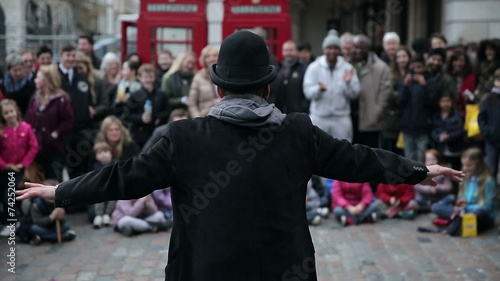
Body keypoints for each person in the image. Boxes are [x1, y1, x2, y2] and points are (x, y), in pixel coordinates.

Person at [17, 30, 464, 281]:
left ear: (217, 87)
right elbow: (360, 159)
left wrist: (63, 191)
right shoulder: (297, 132)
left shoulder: (184, 136)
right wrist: (417, 170)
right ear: (268, 87)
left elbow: (125, 176)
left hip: (206, 270)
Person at [303, 29, 361, 142]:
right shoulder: (314, 67)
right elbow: (307, 92)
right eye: (329, 48)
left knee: (343, 152)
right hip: (319, 117)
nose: (332, 51)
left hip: (341, 118)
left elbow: (355, 94)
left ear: (339, 50)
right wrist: (318, 89)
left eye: (335, 48)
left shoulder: (347, 68)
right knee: (318, 150)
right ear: (324, 49)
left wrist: (348, 83)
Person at [24, 64, 74, 182]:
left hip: (54, 148)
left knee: (53, 182)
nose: (35, 80)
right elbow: (28, 119)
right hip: (36, 148)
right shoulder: (35, 98)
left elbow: (69, 121)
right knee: (36, 180)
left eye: (38, 77)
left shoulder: (61, 99)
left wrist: (56, 133)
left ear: (47, 79)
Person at [431, 148, 496, 232]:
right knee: (435, 207)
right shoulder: (465, 177)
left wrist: (467, 207)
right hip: (464, 212)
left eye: (469, 165)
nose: (465, 168)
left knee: (479, 212)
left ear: (479, 164)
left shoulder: (488, 181)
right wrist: (460, 206)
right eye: (464, 165)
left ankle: (458, 220)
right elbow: (461, 198)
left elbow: (487, 207)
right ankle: (460, 220)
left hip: (480, 215)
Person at [0, 99, 38, 236]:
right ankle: (7, 220)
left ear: (16, 111)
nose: (10, 115)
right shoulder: (2, 131)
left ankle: (13, 222)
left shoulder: (26, 128)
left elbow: (33, 147)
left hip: (20, 169)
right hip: (5, 170)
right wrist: (6, 165)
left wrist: (24, 164)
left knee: (9, 194)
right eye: (6, 113)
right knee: (4, 195)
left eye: (11, 111)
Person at [57, 44, 94, 178]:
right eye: (68, 55)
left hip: (80, 130)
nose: (71, 59)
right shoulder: (54, 77)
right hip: (61, 131)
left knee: (78, 169)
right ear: (60, 56)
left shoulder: (82, 78)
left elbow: (88, 100)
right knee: (58, 169)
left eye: (73, 55)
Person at [351, 34, 391, 148]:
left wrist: (376, 112)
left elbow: (385, 91)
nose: (358, 51)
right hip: (350, 118)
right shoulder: (347, 65)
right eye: (356, 47)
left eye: (362, 47)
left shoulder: (380, 67)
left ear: (368, 49)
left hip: (370, 120)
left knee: (370, 153)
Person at [397, 55, 439, 162]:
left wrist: (424, 85)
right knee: (408, 158)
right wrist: (405, 86)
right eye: (413, 67)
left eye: (418, 67)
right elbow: (400, 102)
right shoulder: (405, 81)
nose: (415, 70)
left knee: (421, 158)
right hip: (407, 127)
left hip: (423, 127)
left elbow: (432, 102)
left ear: (424, 67)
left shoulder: (430, 81)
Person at [123, 63, 170, 148]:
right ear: (140, 78)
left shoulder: (162, 94)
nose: (148, 80)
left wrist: (158, 117)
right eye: (145, 77)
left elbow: (167, 111)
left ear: (155, 77)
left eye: (151, 77)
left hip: (157, 133)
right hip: (139, 134)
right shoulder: (134, 95)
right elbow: (127, 115)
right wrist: (141, 118)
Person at [28, 179, 76, 245]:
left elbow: (63, 218)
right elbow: (37, 221)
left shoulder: (59, 201)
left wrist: (61, 216)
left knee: (66, 226)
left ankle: (43, 238)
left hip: (54, 227)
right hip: (44, 227)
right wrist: (51, 217)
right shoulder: (37, 204)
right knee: (34, 228)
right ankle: (63, 237)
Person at [382, 47, 411, 153]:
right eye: (399, 57)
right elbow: (389, 94)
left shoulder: (413, 72)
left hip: (409, 117)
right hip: (392, 119)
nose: (402, 59)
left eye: (404, 56)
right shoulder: (390, 74)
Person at [430, 92, 464, 171]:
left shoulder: (456, 116)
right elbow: (433, 131)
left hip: (454, 149)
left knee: (455, 170)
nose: (445, 104)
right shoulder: (436, 116)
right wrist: (439, 137)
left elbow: (460, 131)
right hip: (440, 148)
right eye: (443, 101)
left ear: (451, 102)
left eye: (448, 101)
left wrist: (449, 136)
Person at [273, 40, 309, 114]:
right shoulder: (277, 68)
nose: (288, 53)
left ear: (296, 51)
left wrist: (303, 107)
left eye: (291, 50)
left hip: (298, 114)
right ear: (282, 52)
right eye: (286, 50)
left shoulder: (304, 68)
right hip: (280, 113)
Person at [478, 68, 500, 182]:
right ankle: (491, 195)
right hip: (491, 140)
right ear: (495, 81)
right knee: (491, 168)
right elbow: (481, 117)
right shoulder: (490, 98)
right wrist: (487, 131)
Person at [187, 45, 220, 118]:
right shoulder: (198, 78)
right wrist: (198, 119)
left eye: (214, 56)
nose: (212, 59)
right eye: (208, 56)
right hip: (204, 118)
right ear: (203, 59)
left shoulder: (223, 76)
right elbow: (192, 104)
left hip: (222, 116)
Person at [91, 142, 118, 228]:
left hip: (113, 188)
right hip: (101, 189)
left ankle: (107, 214)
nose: (103, 155)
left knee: (113, 199)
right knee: (98, 199)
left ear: (111, 153)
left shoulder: (116, 163)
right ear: (96, 156)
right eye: (99, 153)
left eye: (105, 151)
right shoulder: (96, 166)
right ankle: (99, 215)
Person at [446, 50, 476, 116]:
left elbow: (474, 96)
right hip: (449, 112)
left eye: (461, 60)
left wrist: (470, 96)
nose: (458, 63)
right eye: (455, 60)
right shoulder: (448, 76)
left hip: (466, 113)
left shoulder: (471, 77)